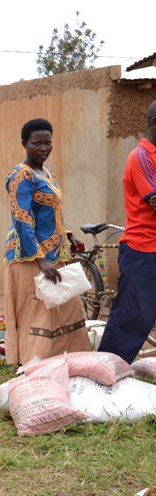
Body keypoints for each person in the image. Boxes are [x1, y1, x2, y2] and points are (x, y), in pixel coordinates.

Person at [3, 119, 91, 365]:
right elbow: (21, 219)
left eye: (47, 142)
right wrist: (40, 260)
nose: (43, 148)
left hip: (55, 255)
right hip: (29, 258)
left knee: (64, 308)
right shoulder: (21, 175)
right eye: (37, 143)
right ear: (24, 143)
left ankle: (63, 360)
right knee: (36, 313)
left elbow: (53, 212)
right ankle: (32, 363)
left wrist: (69, 235)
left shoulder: (48, 173)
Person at [98, 101, 156, 363]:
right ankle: (105, 371)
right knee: (132, 317)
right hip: (143, 249)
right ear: (154, 123)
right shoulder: (141, 156)